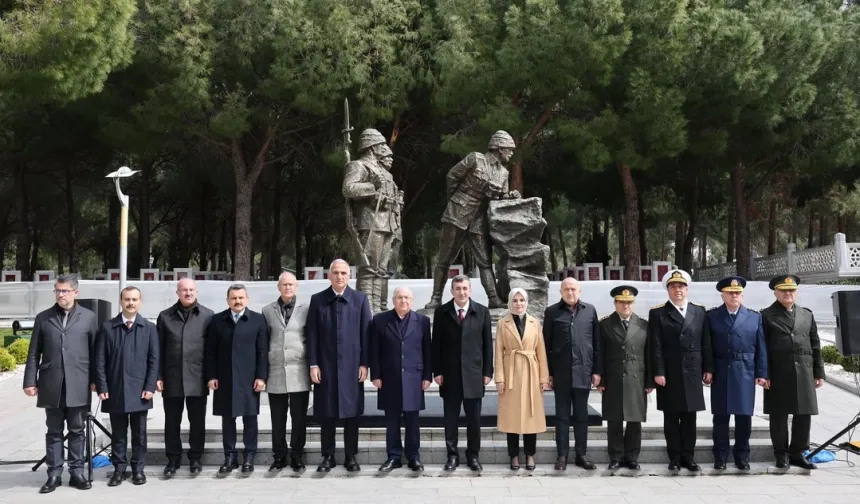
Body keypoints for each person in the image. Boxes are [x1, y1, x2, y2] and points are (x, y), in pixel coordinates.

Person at [424, 131, 521, 310]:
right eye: (509, 149)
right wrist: (456, 200)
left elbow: (500, 199)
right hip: (457, 214)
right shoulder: (475, 159)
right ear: (500, 148)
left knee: (484, 262)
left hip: (478, 219)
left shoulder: (504, 173)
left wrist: (510, 197)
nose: (511, 153)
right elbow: (452, 176)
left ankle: (493, 299)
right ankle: (436, 298)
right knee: (444, 259)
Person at [23, 274, 99, 493]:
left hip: (79, 383)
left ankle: (77, 473)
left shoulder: (89, 317)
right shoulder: (43, 318)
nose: (60, 294)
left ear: (76, 292)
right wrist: (30, 381)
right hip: (51, 383)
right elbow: (33, 352)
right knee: (54, 431)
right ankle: (54, 475)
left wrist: (96, 381)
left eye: (65, 291)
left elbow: (96, 352)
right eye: (57, 290)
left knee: (77, 430)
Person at [307, 259, 372, 472]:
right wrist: (313, 364)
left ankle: (351, 456)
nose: (340, 276)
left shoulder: (360, 300)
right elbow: (312, 334)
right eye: (335, 272)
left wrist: (365, 363)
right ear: (329, 275)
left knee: (351, 413)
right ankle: (328, 456)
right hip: (325, 367)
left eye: (344, 272)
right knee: (326, 413)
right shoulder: (318, 300)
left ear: (349, 276)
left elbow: (366, 334)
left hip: (352, 367)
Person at [94, 286, 159, 487]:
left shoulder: (149, 328)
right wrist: (102, 386)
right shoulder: (107, 328)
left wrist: (150, 386)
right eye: (127, 299)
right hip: (115, 389)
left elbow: (154, 360)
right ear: (121, 301)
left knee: (140, 434)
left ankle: (138, 470)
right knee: (118, 435)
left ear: (140, 302)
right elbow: (100, 360)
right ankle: (119, 470)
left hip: (141, 391)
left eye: (134, 299)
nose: (131, 303)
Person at [649, 269, 712, 472]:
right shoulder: (658, 313)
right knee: (671, 417)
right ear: (667, 290)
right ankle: (674, 458)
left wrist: (708, 368)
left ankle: (688, 457)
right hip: (670, 372)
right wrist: (658, 371)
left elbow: (706, 342)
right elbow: (655, 345)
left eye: (681, 286)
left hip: (693, 371)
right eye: (673, 286)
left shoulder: (699, 311)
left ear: (687, 289)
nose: (678, 290)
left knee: (690, 417)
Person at [761, 274, 824, 470]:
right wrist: (764, 373)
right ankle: (781, 453)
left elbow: (815, 344)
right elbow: (762, 347)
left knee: (803, 413)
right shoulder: (766, 315)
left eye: (792, 290)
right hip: (778, 370)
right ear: (776, 293)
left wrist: (819, 372)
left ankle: (797, 453)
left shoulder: (806, 314)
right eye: (784, 290)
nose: (788, 293)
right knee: (779, 414)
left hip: (804, 370)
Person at [431, 274, 493, 472]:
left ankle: (473, 455)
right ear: (452, 291)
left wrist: (487, 371)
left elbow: (487, 345)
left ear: (470, 290)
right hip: (449, 376)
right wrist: (437, 371)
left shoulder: (482, 312)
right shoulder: (442, 312)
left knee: (474, 420)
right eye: (458, 289)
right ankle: (452, 456)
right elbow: (436, 344)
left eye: (465, 288)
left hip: (474, 375)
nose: (462, 292)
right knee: (450, 420)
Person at [205, 284, 268, 474]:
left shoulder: (257, 320)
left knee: (250, 419)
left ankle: (249, 456)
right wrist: (211, 375)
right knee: (228, 419)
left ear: (247, 299)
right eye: (234, 298)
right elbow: (210, 351)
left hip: (249, 379)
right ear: (227, 300)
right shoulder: (217, 320)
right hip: (225, 378)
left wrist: (261, 376)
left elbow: (262, 351)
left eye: (241, 297)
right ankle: (230, 457)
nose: (237, 301)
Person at [707, 276, 768, 471]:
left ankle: (742, 456)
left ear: (742, 295)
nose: (734, 295)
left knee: (744, 417)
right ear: (722, 295)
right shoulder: (712, 316)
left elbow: (761, 347)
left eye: (737, 293)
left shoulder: (754, 317)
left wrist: (761, 373)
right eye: (730, 293)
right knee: (721, 417)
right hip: (722, 371)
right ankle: (721, 456)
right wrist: (708, 369)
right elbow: (707, 346)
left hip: (745, 371)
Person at [369, 286, 431, 472]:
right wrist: (375, 375)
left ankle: (413, 457)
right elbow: (374, 349)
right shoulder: (380, 320)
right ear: (393, 300)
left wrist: (427, 376)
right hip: (389, 377)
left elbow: (427, 350)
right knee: (392, 420)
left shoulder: (422, 321)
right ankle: (393, 457)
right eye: (399, 297)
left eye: (406, 297)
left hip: (414, 378)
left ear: (411, 300)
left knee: (413, 420)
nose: (403, 301)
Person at [156, 278, 213, 477]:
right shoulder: (165, 317)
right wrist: (158, 376)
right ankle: (173, 459)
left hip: (198, 377)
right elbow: (158, 349)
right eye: (184, 290)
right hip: (172, 377)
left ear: (196, 292)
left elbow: (211, 351)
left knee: (197, 421)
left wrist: (211, 376)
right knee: (172, 421)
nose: (188, 293)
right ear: (177, 293)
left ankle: (195, 458)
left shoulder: (207, 316)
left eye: (191, 290)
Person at [543, 277, 601, 471]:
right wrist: (548, 373)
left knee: (581, 416)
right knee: (562, 417)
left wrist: (597, 370)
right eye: (566, 289)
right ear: (560, 292)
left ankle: (581, 455)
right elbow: (546, 345)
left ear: (579, 291)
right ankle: (562, 456)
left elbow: (597, 343)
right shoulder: (552, 312)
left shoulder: (590, 311)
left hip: (583, 372)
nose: (570, 292)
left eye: (573, 289)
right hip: (561, 373)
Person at [342, 128, 403, 313]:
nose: (384, 148)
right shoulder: (358, 165)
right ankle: (367, 311)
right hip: (370, 221)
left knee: (381, 271)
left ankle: (378, 309)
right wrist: (372, 187)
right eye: (381, 144)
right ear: (371, 146)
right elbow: (348, 188)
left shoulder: (383, 171)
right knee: (368, 269)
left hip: (387, 223)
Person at [494, 288, 549, 471]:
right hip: (511, 373)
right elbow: (498, 352)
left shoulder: (535, 322)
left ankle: (530, 454)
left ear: (526, 302)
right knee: (511, 416)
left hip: (532, 373)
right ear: (510, 302)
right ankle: (514, 455)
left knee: (530, 415)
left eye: (522, 300)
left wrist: (543, 378)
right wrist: (499, 378)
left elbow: (541, 351)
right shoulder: (502, 323)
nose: (519, 304)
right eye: (515, 300)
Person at [597, 285, 651, 470]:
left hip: (637, 378)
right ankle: (616, 456)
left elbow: (649, 354)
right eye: (621, 302)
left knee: (635, 419)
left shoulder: (643, 325)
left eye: (629, 302)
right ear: (615, 303)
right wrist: (601, 379)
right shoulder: (605, 325)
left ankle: (632, 457)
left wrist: (650, 381)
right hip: (614, 376)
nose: (625, 306)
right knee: (614, 419)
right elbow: (599, 353)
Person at [262, 271, 311, 472]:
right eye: (284, 284)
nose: (288, 287)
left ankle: (297, 455)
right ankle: (279, 456)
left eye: (291, 284)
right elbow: (264, 341)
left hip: (299, 370)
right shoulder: (267, 311)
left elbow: (310, 337)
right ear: (278, 287)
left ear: (296, 286)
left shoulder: (306, 309)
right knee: (277, 417)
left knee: (299, 417)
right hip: (276, 370)